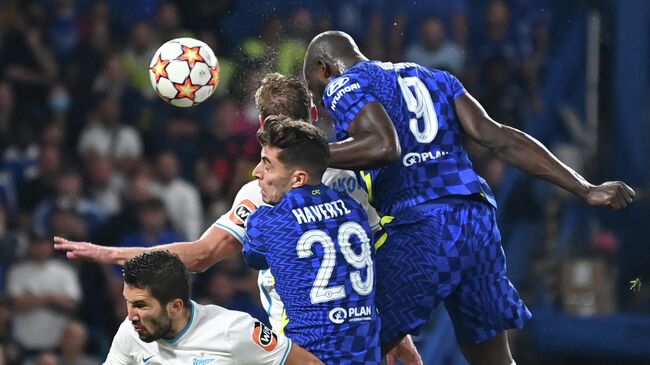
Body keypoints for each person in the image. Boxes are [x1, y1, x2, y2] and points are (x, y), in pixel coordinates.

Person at [302, 30, 636, 365]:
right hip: (477, 223)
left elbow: (384, 146)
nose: (325, 109)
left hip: (423, 227)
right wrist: (586, 188)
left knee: (346, 351)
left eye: (318, 98)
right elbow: (499, 137)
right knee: (494, 360)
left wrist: (308, 153)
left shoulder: (343, 84)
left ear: (324, 69)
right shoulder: (433, 77)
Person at [54, 73, 421, 364]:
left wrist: (113, 254)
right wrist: (395, 330)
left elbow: (201, 256)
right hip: (362, 336)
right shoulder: (352, 186)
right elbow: (377, 261)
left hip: (296, 343)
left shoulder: (262, 196)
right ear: (313, 115)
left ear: (261, 122)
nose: (260, 170)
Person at [243, 116, 379, 364]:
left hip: (310, 355)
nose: (256, 172)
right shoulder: (354, 209)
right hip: (366, 354)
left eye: (267, 164)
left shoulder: (266, 221)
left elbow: (254, 257)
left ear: (298, 179)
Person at [103, 250, 322, 365]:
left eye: (141, 305)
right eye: (128, 302)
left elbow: (308, 363)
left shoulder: (234, 330)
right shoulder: (131, 333)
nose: (131, 316)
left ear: (175, 306)